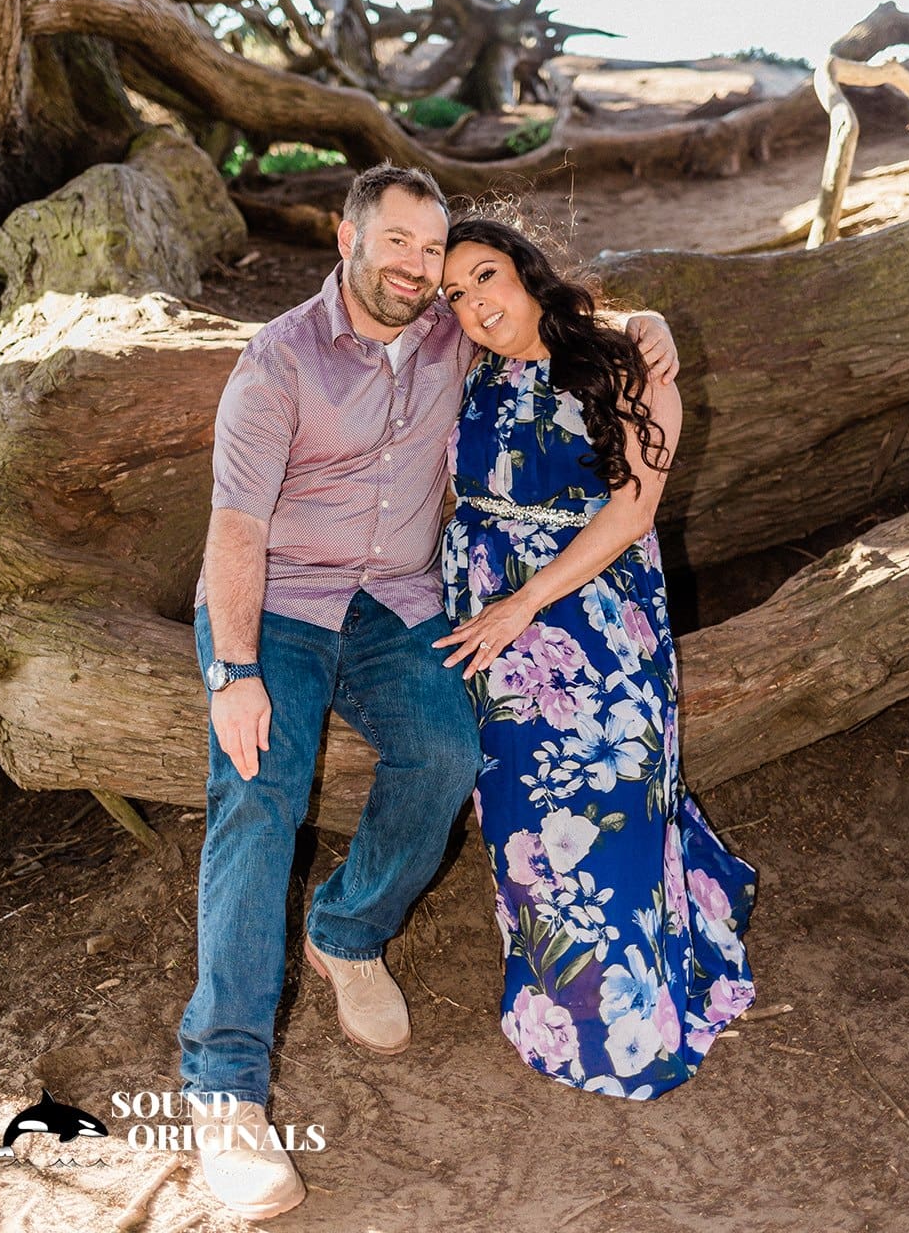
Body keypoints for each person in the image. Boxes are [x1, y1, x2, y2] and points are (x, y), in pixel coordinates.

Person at [179, 167, 678, 1219]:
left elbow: (549, 313)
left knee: (448, 752)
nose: (418, 269)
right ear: (346, 236)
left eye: (432, 251)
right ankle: (221, 1090)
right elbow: (234, 528)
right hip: (278, 601)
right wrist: (231, 671)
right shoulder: (278, 360)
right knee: (260, 794)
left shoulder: (451, 325)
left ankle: (347, 933)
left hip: (396, 601)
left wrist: (648, 318)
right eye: (398, 243)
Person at [433, 216, 755, 1098]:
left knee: (609, 806)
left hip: (592, 619)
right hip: (483, 620)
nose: (473, 303)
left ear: (528, 271)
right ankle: (551, 992)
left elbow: (631, 514)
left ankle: (625, 1016)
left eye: (486, 276)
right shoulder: (468, 370)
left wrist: (521, 605)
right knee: (517, 822)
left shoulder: (626, 367)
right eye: (454, 294)